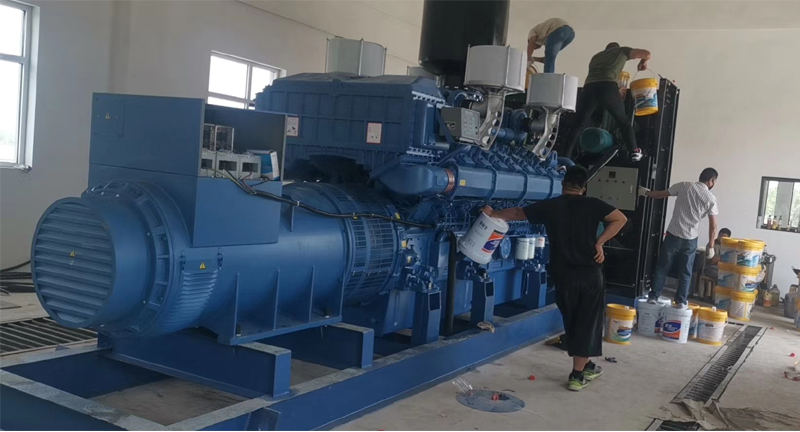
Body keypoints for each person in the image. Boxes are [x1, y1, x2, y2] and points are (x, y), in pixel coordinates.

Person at [482, 166, 628, 392]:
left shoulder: (551, 206)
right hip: (590, 274)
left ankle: (587, 364)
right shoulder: (593, 205)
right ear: (584, 187)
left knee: (572, 319)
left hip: (564, 275)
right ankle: (577, 375)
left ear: (562, 184)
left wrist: (493, 214)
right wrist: (600, 242)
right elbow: (620, 219)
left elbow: (518, 213)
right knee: (587, 322)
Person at [640, 168, 720, 307]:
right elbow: (713, 226)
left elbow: (660, 194)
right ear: (711, 181)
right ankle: (681, 302)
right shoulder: (711, 198)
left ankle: (653, 297)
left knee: (662, 267)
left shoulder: (684, 185)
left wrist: (645, 192)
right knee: (685, 272)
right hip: (690, 238)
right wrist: (711, 246)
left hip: (673, 235)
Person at [566, 43, 652, 162]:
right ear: (616, 48)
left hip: (589, 89)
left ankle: (565, 157)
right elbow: (647, 54)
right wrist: (643, 62)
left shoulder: (596, 56)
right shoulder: (621, 51)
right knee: (623, 121)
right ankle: (634, 152)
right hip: (608, 87)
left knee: (578, 125)